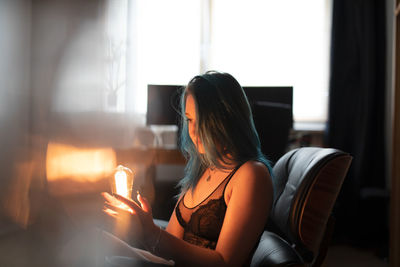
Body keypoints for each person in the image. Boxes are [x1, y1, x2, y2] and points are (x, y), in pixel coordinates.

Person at [102, 71, 274, 267]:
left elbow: (225, 262)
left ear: (228, 118)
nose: (193, 130)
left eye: (203, 120)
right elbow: (169, 250)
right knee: (98, 239)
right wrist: (140, 229)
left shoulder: (251, 174)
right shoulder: (204, 169)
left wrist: (150, 232)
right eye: (190, 120)